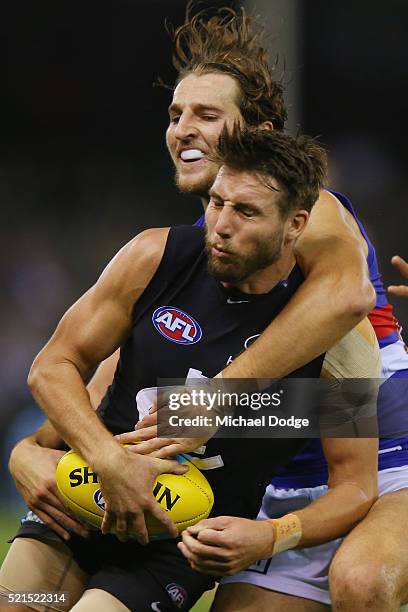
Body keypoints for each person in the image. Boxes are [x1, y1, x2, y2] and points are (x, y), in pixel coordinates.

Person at [4, 4, 407, 611]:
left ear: (261, 135)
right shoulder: (204, 242)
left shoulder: (303, 213)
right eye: (176, 114)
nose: (183, 129)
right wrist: (36, 447)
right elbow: (127, 371)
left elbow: (346, 305)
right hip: (266, 480)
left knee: (362, 583)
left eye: (207, 115)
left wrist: (215, 399)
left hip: (373, 458)